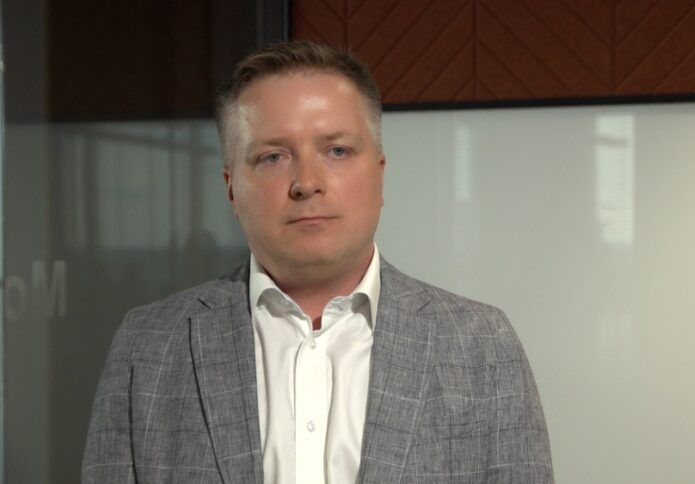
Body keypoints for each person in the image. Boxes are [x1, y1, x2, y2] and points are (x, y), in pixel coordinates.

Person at [82, 40, 554, 483]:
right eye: (273, 157)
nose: (307, 182)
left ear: (380, 175)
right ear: (231, 190)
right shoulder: (149, 346)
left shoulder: (481, 346)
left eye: (337, 151)